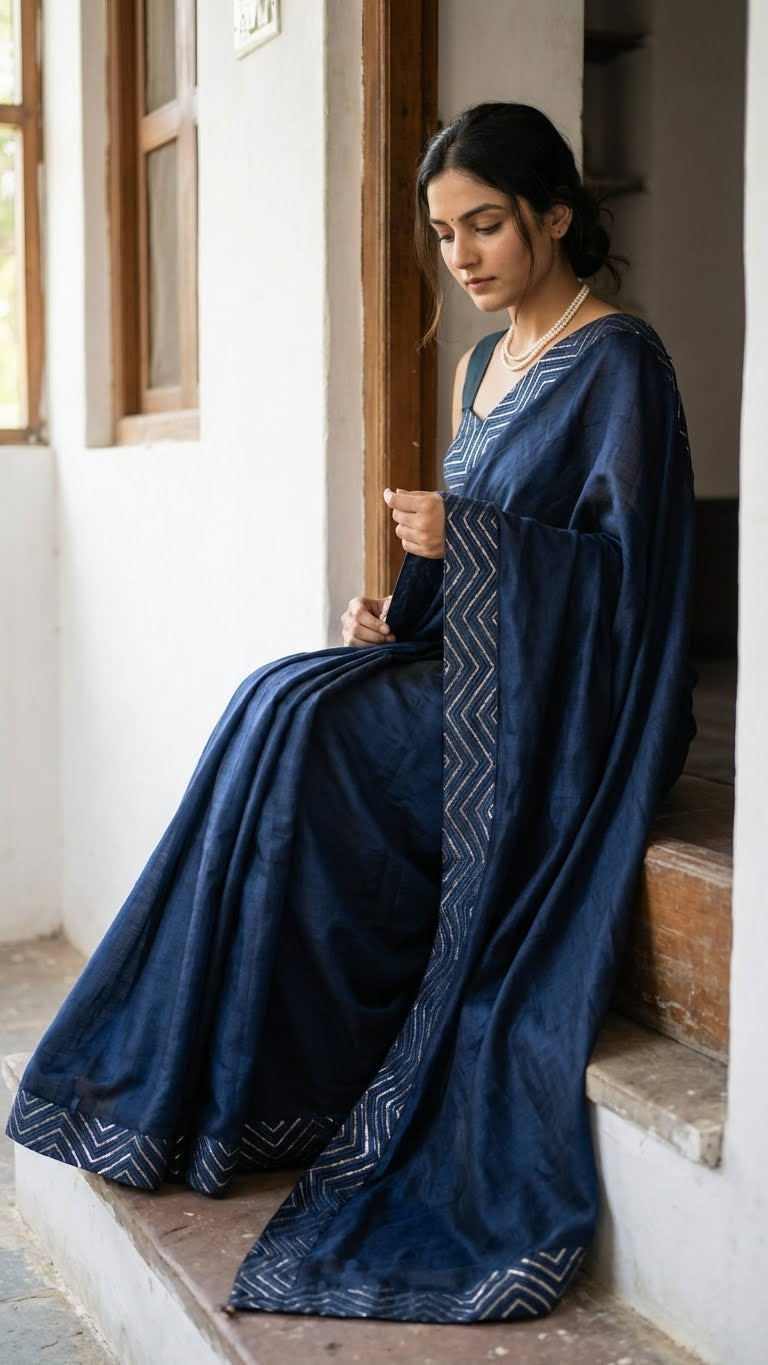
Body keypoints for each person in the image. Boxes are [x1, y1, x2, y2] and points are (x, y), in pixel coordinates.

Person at [7, 103, 695, 1324]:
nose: (462, 255)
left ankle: (287, 1082)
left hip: (565, 715)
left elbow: (629, 590)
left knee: (318, 732)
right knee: (277, 696)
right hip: (473, 669)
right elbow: (482, 564)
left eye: (487, 224)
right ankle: (221, 1089)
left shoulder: (619, 361)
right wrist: (401, 605)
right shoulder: (484, 365)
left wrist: (468, 539)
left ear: (555, 216)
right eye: (444, 232)